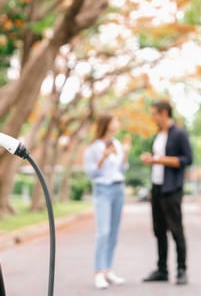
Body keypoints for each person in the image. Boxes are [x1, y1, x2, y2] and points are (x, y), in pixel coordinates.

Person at [140, 100, 193, 286]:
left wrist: (159, 160)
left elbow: (187, 159)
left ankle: (181, 270)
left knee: (176, 230)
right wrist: (153, 160)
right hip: (157, 188)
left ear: (163, 113)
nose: (152, 117)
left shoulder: (179, 133)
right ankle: (162, 270)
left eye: (154, 113)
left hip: (172, 190)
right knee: (158, 230)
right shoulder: (159, 135)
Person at [83, 114, 131, 289]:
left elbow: (123, 168)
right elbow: (91, 173)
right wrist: (103, 157)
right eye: (115, 121)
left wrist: (124, 153)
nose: (117, 123)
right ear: (107, 124)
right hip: (103, 189)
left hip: (119, 188)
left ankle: (108, 270)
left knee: (114, 232)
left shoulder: (117, 144)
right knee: (103, 231)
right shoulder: (93, 148)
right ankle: (98, 272)